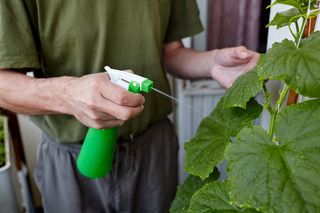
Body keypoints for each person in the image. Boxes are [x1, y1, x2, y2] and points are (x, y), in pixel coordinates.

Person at [0, 0, 259, 213]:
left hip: (153, 153)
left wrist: (213, 63)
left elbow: (171, 52)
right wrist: (67, 94)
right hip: (72, 158)